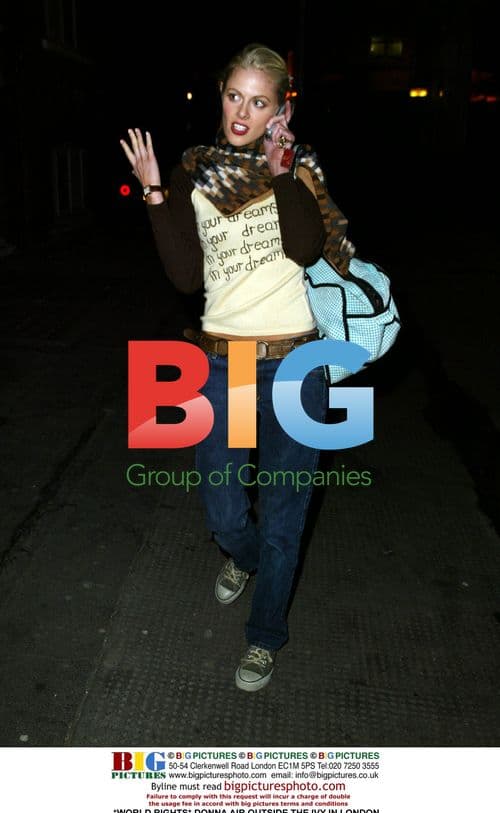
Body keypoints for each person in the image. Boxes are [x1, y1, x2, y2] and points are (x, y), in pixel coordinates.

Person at [120, 42, 353, 692]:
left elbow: (307, 248)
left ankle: (264, 636)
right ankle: (243, 558)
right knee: (225, 514)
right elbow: (184, 276)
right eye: (234, 96)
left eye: (259, 100)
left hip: (297, 364)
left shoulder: (299, 168)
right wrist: (156, 194)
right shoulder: (195, 170)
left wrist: (281, 173)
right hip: (225, 363)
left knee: (284, 518)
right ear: (220, 95)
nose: (242, 111)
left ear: (280, 108)